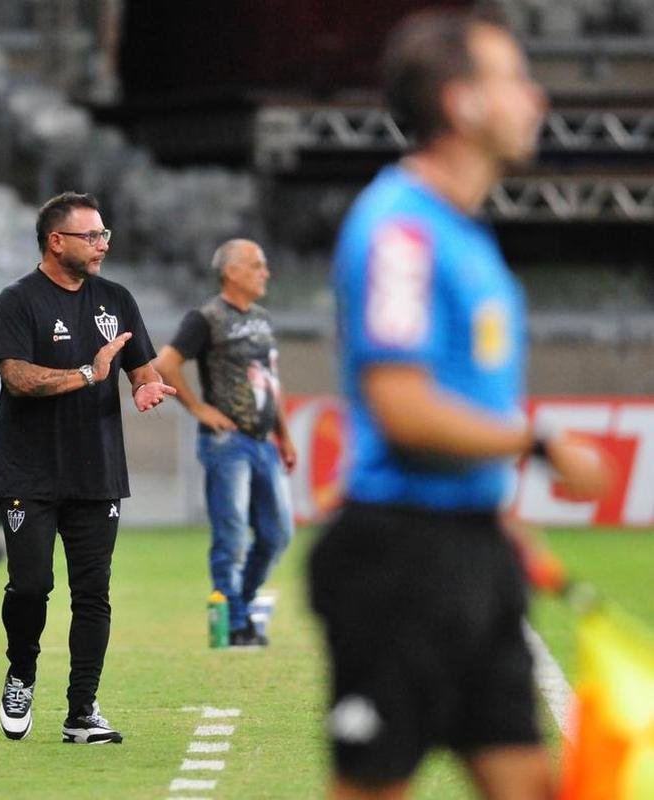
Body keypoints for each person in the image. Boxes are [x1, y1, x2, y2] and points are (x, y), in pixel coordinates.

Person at [307, 10, 608, 799]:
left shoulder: (463, 232)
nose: (536, 97)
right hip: (397, 563)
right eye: (514, 78)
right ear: (461, 101)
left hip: (470, 551)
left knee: (528, 784)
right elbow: (401, 407)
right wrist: (537, 445)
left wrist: (487, 516)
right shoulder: (400, 232)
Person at [0, 191, 175, 744]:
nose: (102, 245)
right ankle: (21, 673)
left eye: (104, 234)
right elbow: (17, 379)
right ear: (56, 241)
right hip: (30, 473)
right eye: (91, 236)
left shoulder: (116, 299)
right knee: (31, 586)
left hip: (97, 472)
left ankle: (82, 709)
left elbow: (141, 369)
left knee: (93, 592)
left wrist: (145, 387)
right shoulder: (17, 301)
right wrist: (89, 375)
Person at [153, 238, 296, 648]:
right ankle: (233, 623)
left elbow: (270, 382)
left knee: (277, 534)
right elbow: (165, 364)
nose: (266, 273)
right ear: (231, 272)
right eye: (257, 265)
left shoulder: (263, 320)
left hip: (263, 442)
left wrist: (284, 434)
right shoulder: (207, 317)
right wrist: (198, 408)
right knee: (231, 536)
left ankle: (241, 606)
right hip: (227, 442)